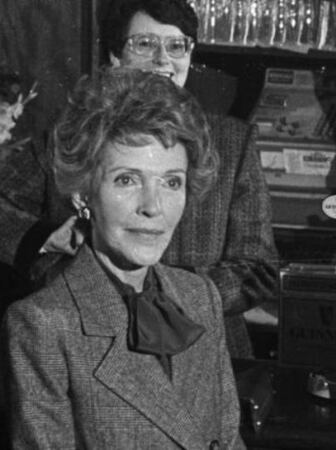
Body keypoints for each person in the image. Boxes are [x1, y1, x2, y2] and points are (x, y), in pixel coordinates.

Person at [0, 0, 278, 358]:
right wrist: (44, 240)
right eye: (145, 44)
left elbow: (259, 269)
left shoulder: (234, 142)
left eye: (177, 46)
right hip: (86, 340)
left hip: (205, 349)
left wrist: (166, 297)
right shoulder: (71, 135)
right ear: (115, 56)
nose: (163, 60)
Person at [0, 68, 243, 449]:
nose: (153, 207)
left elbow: (229, 441)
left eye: (171, 182)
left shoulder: (201, 298)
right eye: (127, 180)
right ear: (83, 193)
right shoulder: (43, 325)